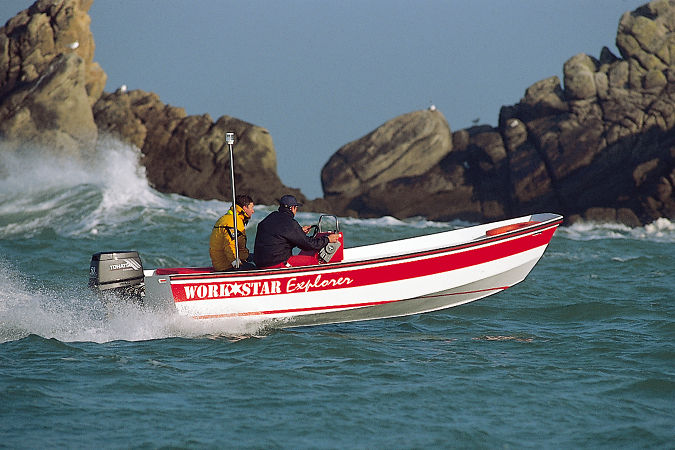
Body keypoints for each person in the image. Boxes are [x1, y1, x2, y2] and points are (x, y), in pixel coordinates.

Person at [254, 194, 340, 269]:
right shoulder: (290, 222)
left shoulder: (270, 217)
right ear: (292, 208)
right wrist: (328, 239)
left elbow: (279, 240)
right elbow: (308, 245)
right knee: (312, 261)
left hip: (260, 263)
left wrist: (299, 232)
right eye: (296, 208)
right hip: (275, 264)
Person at [209, 194, 256, 271]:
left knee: (259, 258)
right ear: (244, 208)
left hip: (231, 259)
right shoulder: (232, 222)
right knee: (254, 268)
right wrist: (236, 263)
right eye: (251, 207)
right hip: (226, 265)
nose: (253, 211)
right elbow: (230, 245)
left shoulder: (234, 218)